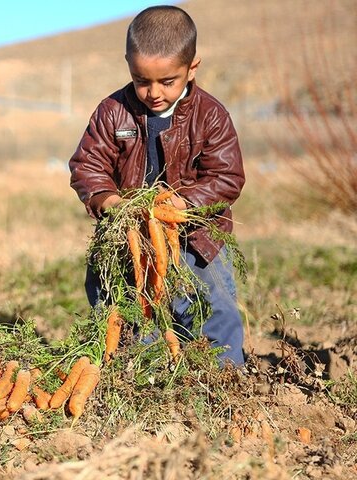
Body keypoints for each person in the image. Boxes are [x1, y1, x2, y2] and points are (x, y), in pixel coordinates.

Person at [68, 5, 246, 366]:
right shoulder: (112, 112)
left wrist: (186, 203)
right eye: (141, 80)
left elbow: (227, 177)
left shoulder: (210, 115)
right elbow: (87, 165)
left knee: (212, 307)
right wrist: (109, 200)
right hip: (129, 237)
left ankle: (226, 378)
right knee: (122, 308)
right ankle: (134, 372)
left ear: (191, 68)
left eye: (167, 82)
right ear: (129, 66)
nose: (153, 92)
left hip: (197, 238)